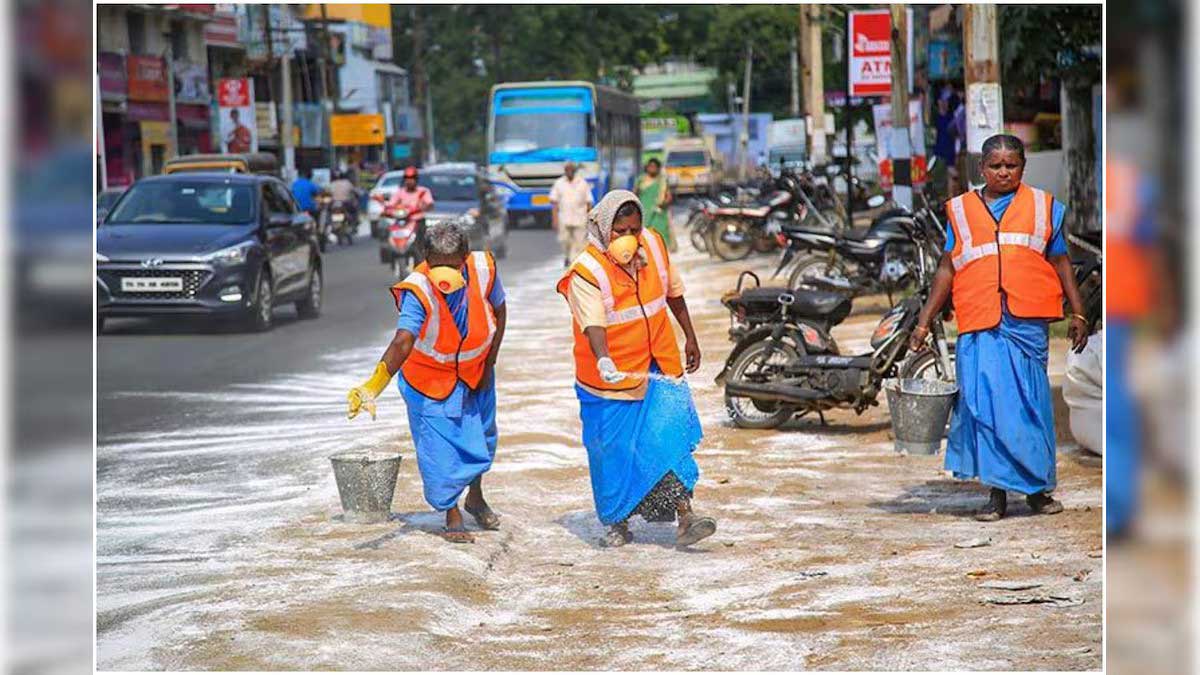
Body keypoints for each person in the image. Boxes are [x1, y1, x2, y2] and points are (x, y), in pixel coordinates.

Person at [909, 134, 1090, 522]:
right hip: (979, 320)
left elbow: (1061, 263)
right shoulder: (959, 210)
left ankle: (1038, 490)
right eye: (996, 166)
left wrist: (1079, 312)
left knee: (1030, 406)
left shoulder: (1044, 207)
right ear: (982, 169)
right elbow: (947, 267)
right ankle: (996, 494)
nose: (1003, 172)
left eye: (1011, 165)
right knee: (984, 406)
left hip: (1026, 324)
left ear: (1022, 168)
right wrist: (924, 321)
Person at [556, 189, 716, 548]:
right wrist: (603, 358)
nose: (628, 238)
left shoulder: (654, 246)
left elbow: (673, 293)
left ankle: (685, 514)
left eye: (634, 229)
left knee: (667, 440)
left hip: (659, 366)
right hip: (609, 380)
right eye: (619, 231)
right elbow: (593, 323)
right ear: (602, 229)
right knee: (613, 453)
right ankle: (617, 520)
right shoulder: (586, 271)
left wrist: (690, 336)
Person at [346, 221, 507, 544]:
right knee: (439, 452)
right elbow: (403, 341)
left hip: (475, 370)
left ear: (465, 256)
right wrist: (373, 385)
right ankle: (451, 513)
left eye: (452, 265)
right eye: (437, 266)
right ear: (425, 258)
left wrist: (491, 358)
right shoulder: (417, 289)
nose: (444, 273)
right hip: (429, 380)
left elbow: (500, 309)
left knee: (481, 441)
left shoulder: (483, 269)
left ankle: (475, 498)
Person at [549, 160, 594, 267]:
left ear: (574, 171)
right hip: (564, 218)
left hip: (580, 218)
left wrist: (590, 219)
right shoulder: (559, 183)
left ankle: (574, 263)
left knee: (579, 243)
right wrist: (554, 219)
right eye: (567, 170)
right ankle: (567, 256)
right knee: (565, 241)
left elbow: (589, 202)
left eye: (571, 170)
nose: (569, 172)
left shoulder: (582, 183)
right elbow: (554, 202)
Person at [635, 158, 674, 251]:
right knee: (645, 237)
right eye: (650, 166)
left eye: (654, 167)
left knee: (660, 237)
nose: (652, 169)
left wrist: (663, 203)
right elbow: (635, 194)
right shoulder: (641, 180)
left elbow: (669, 196)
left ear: (658, 168)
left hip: (659, 214)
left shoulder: (662, 181)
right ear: (646, 168)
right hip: (644, 212)